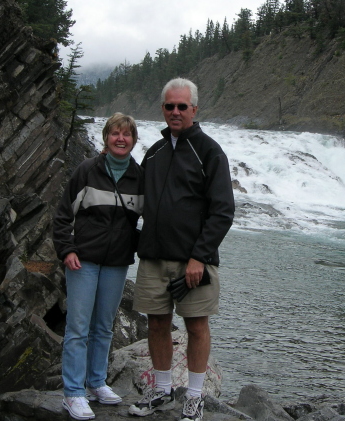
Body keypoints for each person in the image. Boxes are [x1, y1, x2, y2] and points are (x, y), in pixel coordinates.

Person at [128, 78, 235, 421]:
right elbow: (138, 198)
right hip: (154, 258)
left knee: (196, 327)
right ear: (163, 109)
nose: (175, 112)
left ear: (194, 109)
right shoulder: (154, 152)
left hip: (193, 263)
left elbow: (222, 211)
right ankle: (160, 392)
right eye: (169, 106)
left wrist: (199, 257)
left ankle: (194, 397)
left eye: (182, 106)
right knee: (157, 324)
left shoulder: (209, 151)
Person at [53, 113, 144, 421]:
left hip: (117, 262)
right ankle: (73, 393)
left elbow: (150, 221)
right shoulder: (87, 171)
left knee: (103, 326)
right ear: (106, 137)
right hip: (84, 260)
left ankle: (96, 383)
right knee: (78, 328)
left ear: (133, 140)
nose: (121, 138)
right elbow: (63, 215)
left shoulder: (138, 177)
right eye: (116, 133)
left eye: (127, 134)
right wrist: (66, 250)